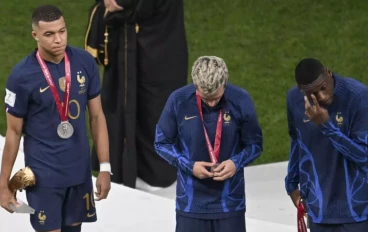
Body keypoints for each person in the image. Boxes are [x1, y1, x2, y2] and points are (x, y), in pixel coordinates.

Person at [0, 5, 111, 232]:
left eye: (62, 31)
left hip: (79, 172)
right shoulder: (21, 77)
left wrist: (105, 167)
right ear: (35, 36)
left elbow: (97, 116)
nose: (58, 40)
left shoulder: (84, 62)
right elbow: (13, 132)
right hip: (44, 176)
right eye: (49, 34)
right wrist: (3, 183)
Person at [84, 0, 188, 189]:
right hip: (150, 48)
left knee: (151, 109)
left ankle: (146, 175)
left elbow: (128, 6)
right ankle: (137, 172)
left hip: (150, 52)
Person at [154, 56, 263, 232]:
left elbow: (255, 144)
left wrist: (236, 163)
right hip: (190, 205)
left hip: (230, 205)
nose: (212, 103)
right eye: (206, 98)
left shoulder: (241, 100)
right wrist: (189, 166)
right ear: (196, 86)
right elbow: (161, 143)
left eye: (216, 98)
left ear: (224, 84)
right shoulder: (178, 100)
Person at [285, 58, 368, 232]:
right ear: (302, 91)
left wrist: (327, 126)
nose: (322, 97)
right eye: (312, 94)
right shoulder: (294, 100)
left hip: (356, 211)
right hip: (318, 208)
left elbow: (364, 156)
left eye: (323, 87)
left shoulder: (358, 97)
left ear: (328, 73)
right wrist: (291, 184)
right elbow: (296, 140)